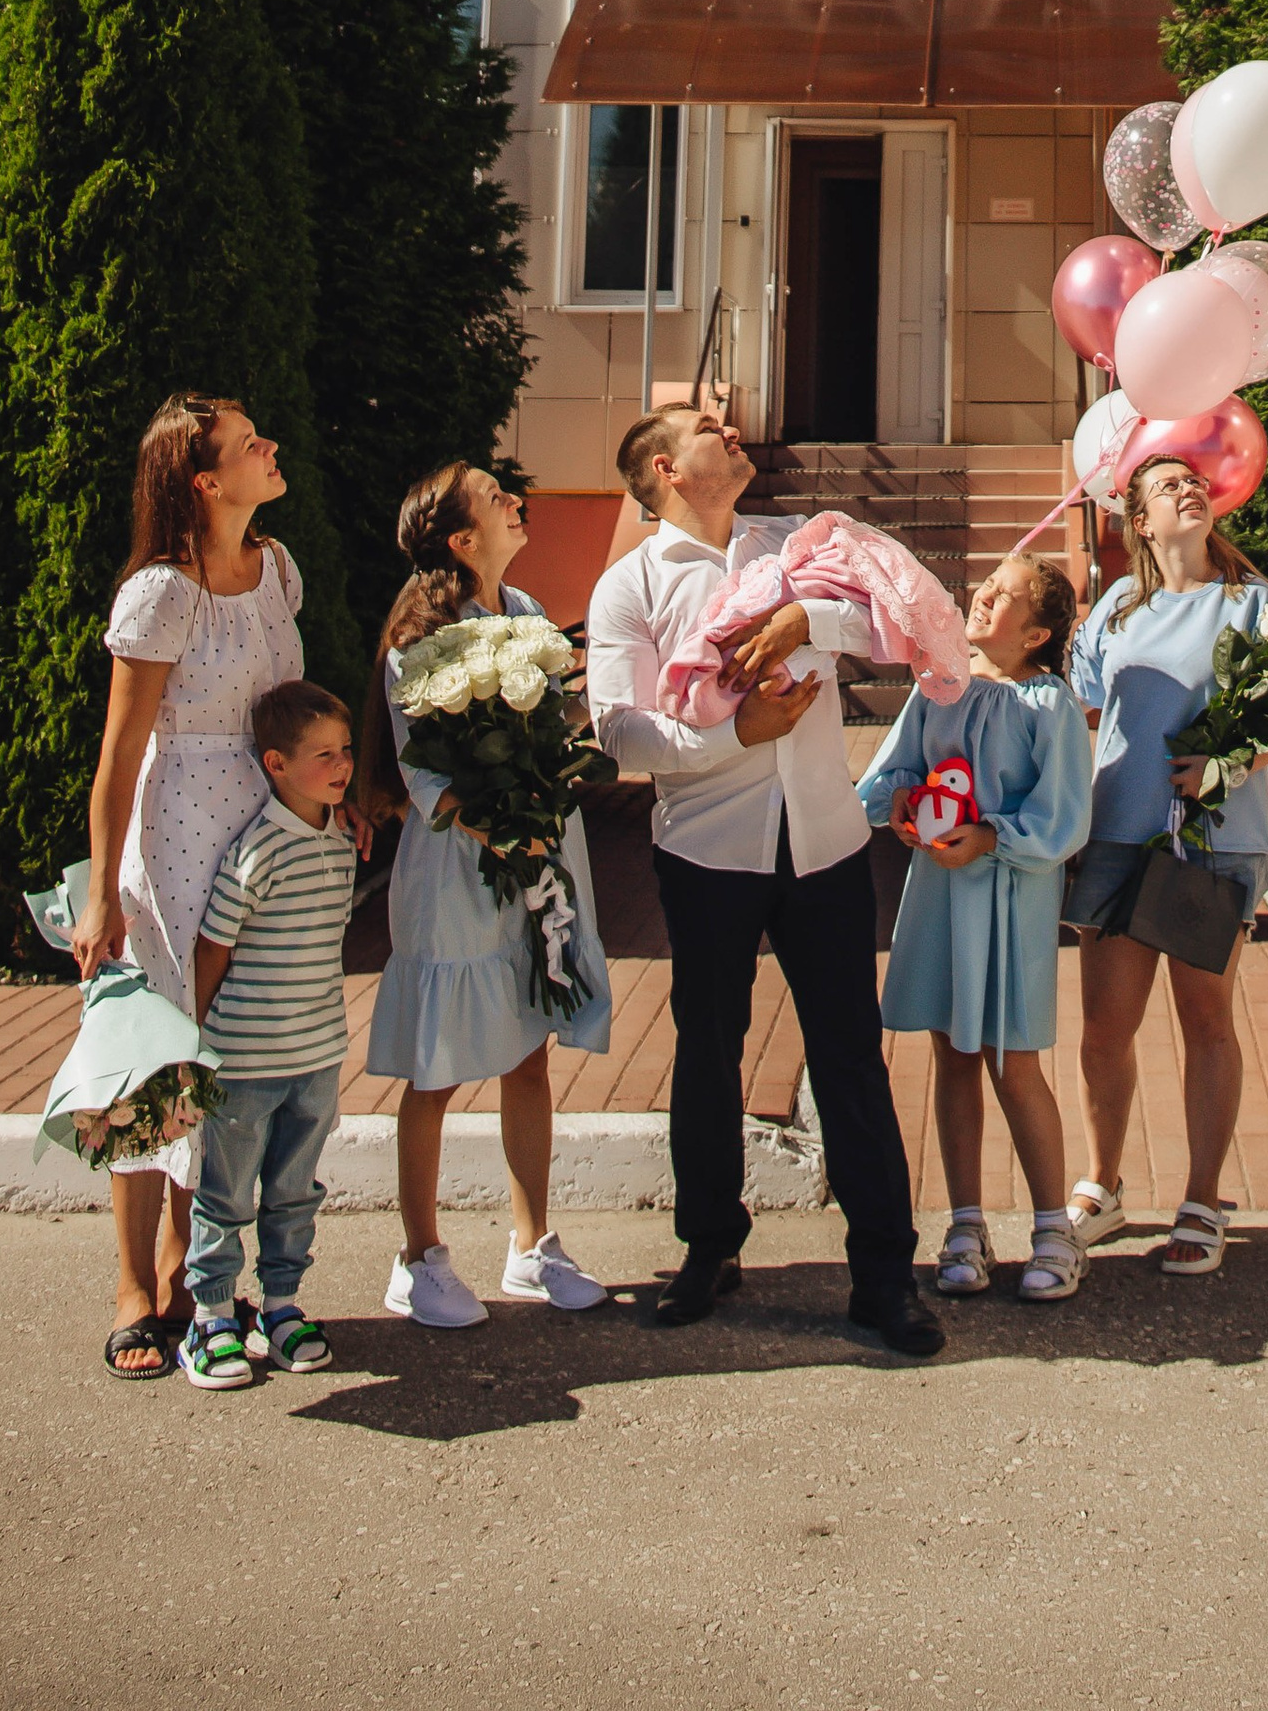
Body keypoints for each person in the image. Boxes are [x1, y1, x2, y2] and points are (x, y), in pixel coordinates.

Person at [585, 402, 944, 1358]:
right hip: (707, 849)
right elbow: (617, 732)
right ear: (664, 468)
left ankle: (883, 1276)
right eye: (710, 426)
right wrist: (728, 736)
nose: (734, 429)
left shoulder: (796, 545)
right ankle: (708, 1247)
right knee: (708, 1050)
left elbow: (887, 620)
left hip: (825, 839)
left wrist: (804, 617)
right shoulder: (630, 586)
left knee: (850, 1058)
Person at [73, 392, 323, 1380]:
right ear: (204, 479)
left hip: (261, 835)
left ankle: (199, 1271)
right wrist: (101, 893)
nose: (272, 446)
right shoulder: (159, 595)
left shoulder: (279, 572)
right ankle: (138, 1286)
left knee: (234, 1052)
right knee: (157, 1053)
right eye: (248, 441)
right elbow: (119, 750)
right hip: (173, 830)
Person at [357, 462, 614, 1327]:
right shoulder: (418, 636)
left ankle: (530, 1244)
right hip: (461, 866)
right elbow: (424, 767)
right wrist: (500, 822)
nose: (512, 498)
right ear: (464, 540)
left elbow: (551, 721)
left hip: (535, 855)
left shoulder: (529, 614)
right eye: (491, 496)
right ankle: (418, 1255)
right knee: (435, 1063)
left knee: (528, 1046)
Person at [1063, 453, 1268, 1280]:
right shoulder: (1112, 614)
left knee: (1206, 1020)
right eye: (1169, 485)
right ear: (1142, 520)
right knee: (1104, 1027)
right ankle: (1102, 1181)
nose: (1189, 488)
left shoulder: (1251, 603)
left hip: (1215, 840)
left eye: (1196, 480)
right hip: (1121, 836)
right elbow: (1080, 714)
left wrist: (1224, 768)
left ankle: (1202, 1198)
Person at [856, 551, 1096, 1304]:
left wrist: (991, 837)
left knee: (1013, 1063)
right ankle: (965, 1225)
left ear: (1036, 634)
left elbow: (1064, 816)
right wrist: (897, 803)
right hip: (938, 895)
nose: (984, 595)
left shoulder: (1048, 705)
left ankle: (1054, 1228)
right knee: (951, 1054)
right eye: (986, 585)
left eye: (1007, 594)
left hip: (1009, 898)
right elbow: (893, 772)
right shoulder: (938, 685)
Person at [179, 680, 361, 1387]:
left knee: (294, 1190)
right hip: (245, 1061)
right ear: (277, 764)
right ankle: (213, 1317)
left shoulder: (341, 843)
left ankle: (281, 1306)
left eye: (345, 751)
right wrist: (194, 1040)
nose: (342, 765)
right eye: (323, 755)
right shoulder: (255, 852)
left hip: (316, 1058)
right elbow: (214, 947)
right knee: (225, 1194)